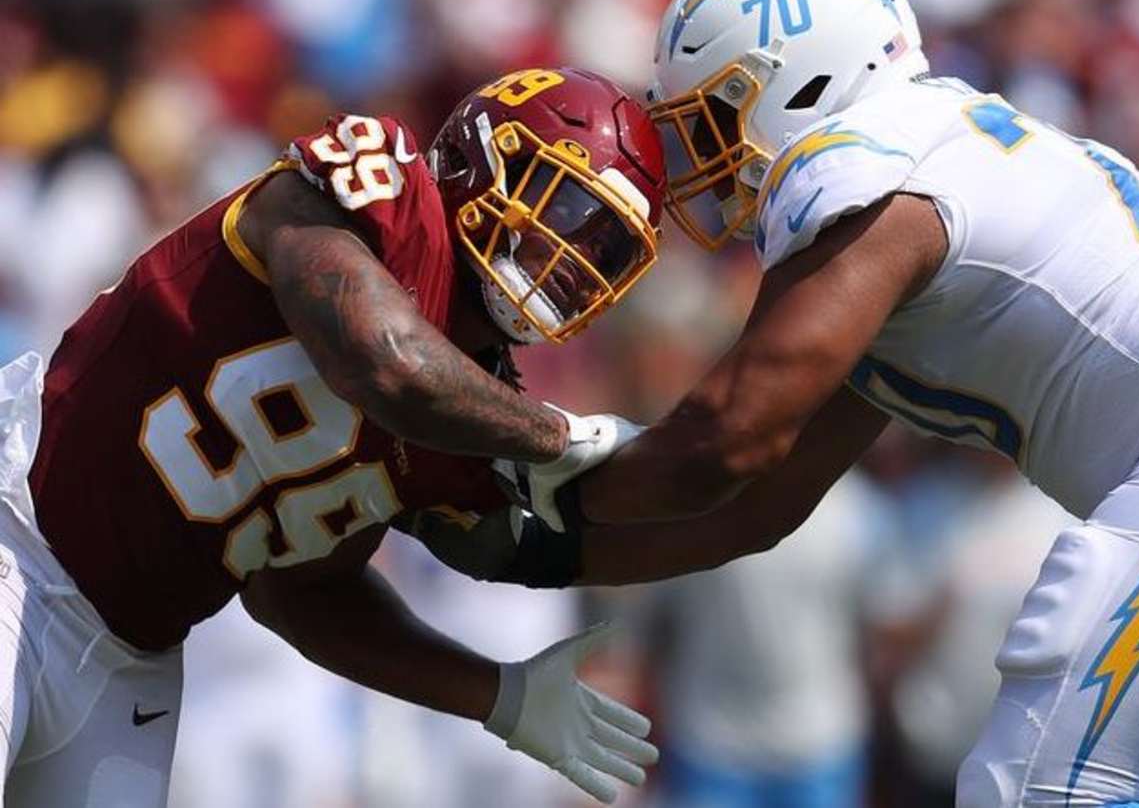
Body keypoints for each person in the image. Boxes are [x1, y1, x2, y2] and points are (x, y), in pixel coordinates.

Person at [526, 0, 1139, 808]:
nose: (698, 158)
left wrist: (524, 469)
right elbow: (759, 506)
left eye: (715, 114)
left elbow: (726, 438)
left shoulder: (855, 161)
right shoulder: (928, 166)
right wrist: (541, 556)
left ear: (799, 79)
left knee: (1038, 786)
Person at [0, 66, 665, 806]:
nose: (576, 261)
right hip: (18, 542)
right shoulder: (384, 191)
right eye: (570, 207)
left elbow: (299, 596)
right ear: (488, 154)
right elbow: (387, 363)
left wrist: (498, 695)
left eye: (607, 249)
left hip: (133, 660)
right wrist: (558, 436)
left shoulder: (478, 416)